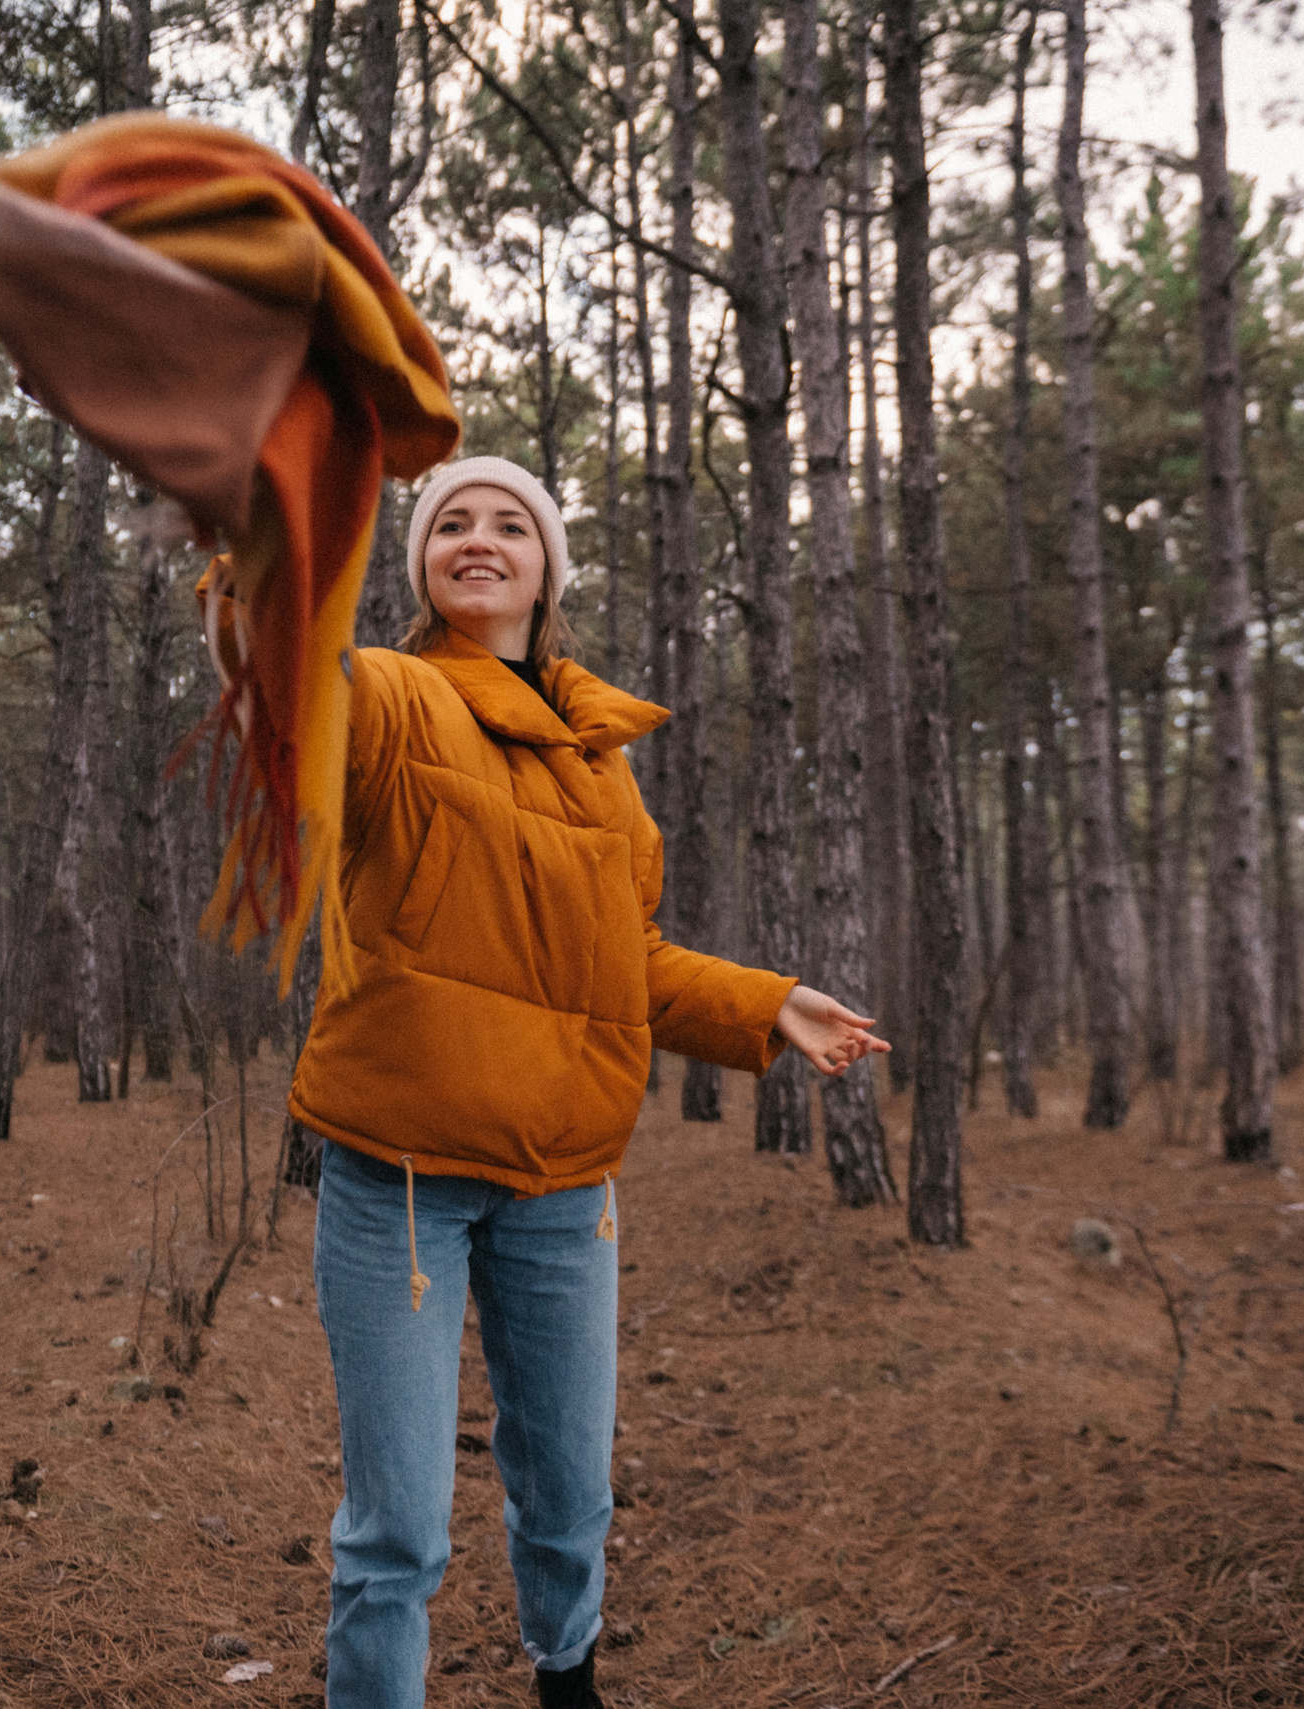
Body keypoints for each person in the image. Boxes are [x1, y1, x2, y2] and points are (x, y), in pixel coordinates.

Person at [274, 454, 888, 1709]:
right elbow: (302, 668)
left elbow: (628, 958)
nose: (481, 537)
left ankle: (568, 1683)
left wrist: (766, 1001)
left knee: (569, 1491)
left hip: (563, 1183)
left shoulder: (599, 758)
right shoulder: (391, 693)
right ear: (424, 566)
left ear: (548, 567)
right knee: (396, 1529)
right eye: (451, 522)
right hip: (399, 1176)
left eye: (512, 523)